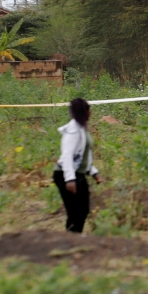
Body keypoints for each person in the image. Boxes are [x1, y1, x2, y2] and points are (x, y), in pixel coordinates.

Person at [54, 98, 102, 233]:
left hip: (78, 174)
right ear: (84, 112)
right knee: (75, 212)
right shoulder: (73, 131)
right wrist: (70, 180)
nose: (90, 113)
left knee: (83, 210)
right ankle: (71, 240)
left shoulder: (81, 129)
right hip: (65, 174)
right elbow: (68, 155)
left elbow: (82, 156)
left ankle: (74, 238)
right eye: (88, 110)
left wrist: (93, 172)